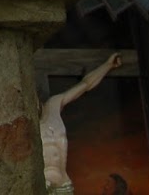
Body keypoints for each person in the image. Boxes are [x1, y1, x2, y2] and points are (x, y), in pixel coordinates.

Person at [40, 53, 122, 195]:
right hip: (41, 187)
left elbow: (86, 85)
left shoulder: (53, 105)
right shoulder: (23, 126)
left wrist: (108, 65)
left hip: (64, 185)